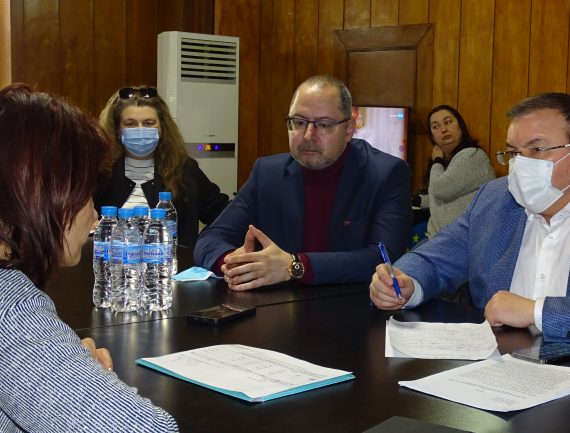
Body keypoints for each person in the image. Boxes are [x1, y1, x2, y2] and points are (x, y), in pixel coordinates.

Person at [370, 92, 570, 349]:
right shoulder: (495, 199)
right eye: (513, 152)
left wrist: (538, 311)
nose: (520, 165)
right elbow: (434, 258)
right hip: (495, 372)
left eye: (536, 149)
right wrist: (405, 283)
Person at [0, 84, 178, 431]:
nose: (94, 214)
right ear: (45, 192)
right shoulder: (12, 309)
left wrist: (66, 368)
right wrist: (88, 380)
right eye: (85, 192)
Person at [194, 75, 412, 290]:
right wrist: (236, 263)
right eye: (299, 122)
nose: (308, 135)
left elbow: (382, 259)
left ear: (348, 130)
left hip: (351, 305)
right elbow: (210, 239)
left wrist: (295, 266)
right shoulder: (267, 173)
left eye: (324, 125)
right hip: (278, 305)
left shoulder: (386, 174)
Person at [95, 86, 229, 248]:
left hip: (174, 262)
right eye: (130, 124)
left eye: (148, 123)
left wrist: (205, 246)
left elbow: (224, 215)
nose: (141, 130)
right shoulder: (101, 170)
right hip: (114, 262)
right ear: (117, 129)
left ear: (162, 127)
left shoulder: (184, 169)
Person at [418, 105, 496, 238]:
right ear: (432, 136)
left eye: (448, 122)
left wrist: (437, 160)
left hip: (463, 241)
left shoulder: (472, 155)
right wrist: (416, 200)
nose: (443, 129)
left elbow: (440, 190)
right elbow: (439, 200)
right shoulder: (448, 160)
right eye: (435, 126)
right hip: (440, 238)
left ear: (461, 126)